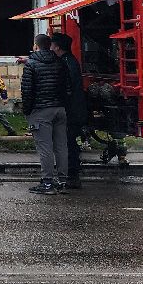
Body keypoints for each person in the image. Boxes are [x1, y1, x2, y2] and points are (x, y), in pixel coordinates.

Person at [20, 33, 69, 194]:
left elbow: (27, 91)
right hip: (60, 109)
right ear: (50, 45)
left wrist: (27, 111)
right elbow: (67, 87)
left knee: (45, 148)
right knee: (61, 146)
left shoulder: (32, 64)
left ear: (36, 45)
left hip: (41, 110)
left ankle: (47, 183)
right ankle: (63, 181)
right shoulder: (60, 62)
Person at [50, 31, 87, 188]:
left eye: (52, 45)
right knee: (68, 142)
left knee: (68, 143)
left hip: (71, 111)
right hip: (73, 109)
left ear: (57, 47)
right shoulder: (69, 60)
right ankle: (70, 173)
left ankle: (72, 175)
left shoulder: (66, 63)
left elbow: (68, 89)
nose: (50, 48)